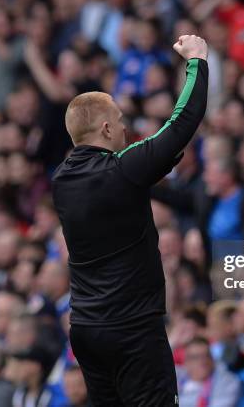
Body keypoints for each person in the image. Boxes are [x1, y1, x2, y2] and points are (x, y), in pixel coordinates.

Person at [51, 35, 208, 405]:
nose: (124, 129)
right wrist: (197, 62)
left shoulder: (60, 180)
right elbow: (182, 122)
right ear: (105, 130)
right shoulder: (123, 169)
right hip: (133, 330)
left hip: (86, 329)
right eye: (119, 122)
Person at [176, 336, 241, 407]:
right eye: (196, 357)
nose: (203, 361)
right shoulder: (178, 376)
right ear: (186, 362)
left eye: (207, 355)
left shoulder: (227, 381)